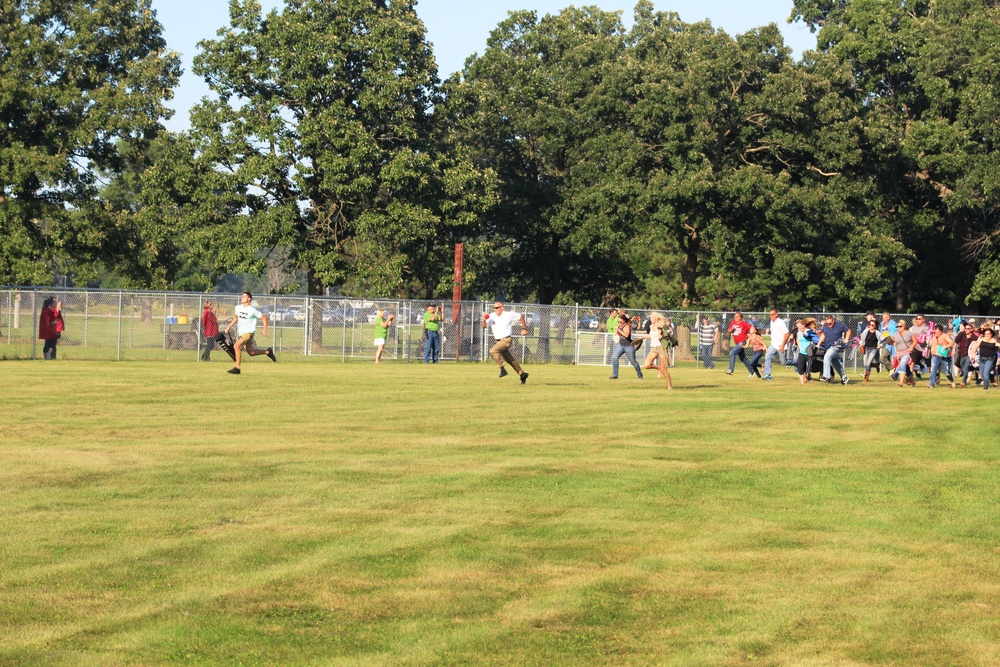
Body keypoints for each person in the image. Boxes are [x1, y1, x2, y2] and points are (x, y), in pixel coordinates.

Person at [223, 292, 276, 375]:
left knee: (236, 346)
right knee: (251, 352)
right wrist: (228, 327)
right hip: (242, 333)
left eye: (244, 296)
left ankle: (237, 368)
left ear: (249, 299)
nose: (242, 297)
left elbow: (264, 318)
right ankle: (268, 352)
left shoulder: (252, 310)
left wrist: (265, 330)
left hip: (249, 333)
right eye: (242, 296)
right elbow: (236, 317)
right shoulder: (238, 308)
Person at [482, 302, 529, 383]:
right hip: (498, 341)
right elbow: (484, 326)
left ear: (502, 308)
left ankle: (502, 369)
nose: (495, 309)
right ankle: (522, 374)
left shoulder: (508, 315)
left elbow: (521, 316)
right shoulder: (492, 316)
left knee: (493, 351)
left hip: (506, 340)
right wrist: (483, 320)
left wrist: (524, 328)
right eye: (494, 308)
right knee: (510, 360)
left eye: (497, 307)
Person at [641, 312, 673, 388]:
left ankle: (669, 385)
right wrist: (643, 337)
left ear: (656, 318)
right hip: (653, 348)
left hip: (661, 348)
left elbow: (663, 334)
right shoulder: (651, 326)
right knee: (646, 365)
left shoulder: (660, 325)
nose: (651, 319)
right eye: (651, 318)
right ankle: (658, 368)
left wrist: (661, 333)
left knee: (664, 370)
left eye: (652, 317)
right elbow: (651, 336)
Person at [609, 312, 644, 380]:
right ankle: (615, 375)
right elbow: (619, 334)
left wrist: (619, 330)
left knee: (633, 361)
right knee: (614, 357)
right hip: (621, 345)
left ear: (624, 320)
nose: (619, 323)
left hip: (629, 346)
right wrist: (616, 334)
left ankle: (640, 375)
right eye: (618, 321)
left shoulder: (627, 326)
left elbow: (626, 335)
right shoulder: (620, 325)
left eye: (620, 321)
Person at [818, 314, 850, 384]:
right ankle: (844, 377)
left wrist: (846, 339)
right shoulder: (825, 326)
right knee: (835, 363)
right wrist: (818, 344)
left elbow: (848, 331)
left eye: (830, 323)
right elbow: (823, 335)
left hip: (836, 346)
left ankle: (826, 376)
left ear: (833, 320)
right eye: (827, 323)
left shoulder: (840, 325)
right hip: (828, 346)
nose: (829, 325)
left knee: (827, 357)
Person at [762, 309, 790, 381]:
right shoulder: (772, 322)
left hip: (781, 346)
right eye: (770, 315)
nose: (770, 316)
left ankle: (796, 363)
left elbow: (787, 334)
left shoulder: (780, 322)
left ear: (776, 314)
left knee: (783, 362)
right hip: (773, 344)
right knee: (767, 357)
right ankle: (767, 374)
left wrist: (782, 345)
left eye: (772, 315)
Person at [927, 325, 956, 389]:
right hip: (935, 355)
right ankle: (931, 384)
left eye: (938, 332)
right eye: (936, 332)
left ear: (941, 331)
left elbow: (951, 342)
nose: (937, 333)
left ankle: (952, 381)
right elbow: (931, 344)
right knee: (933, 370)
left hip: (944, 356)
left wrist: (946, 346)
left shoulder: (945, 336)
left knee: (946, 372)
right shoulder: (933, 336)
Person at [890, 320, 916, 387]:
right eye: (897, 326)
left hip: (907, 353)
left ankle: (900, 381)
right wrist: (888, 340)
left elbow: (915, 341)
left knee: (903, 363)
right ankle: (913, 382)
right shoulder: (895, 334)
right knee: (906, 368)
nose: (898, 327)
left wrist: (911, 347)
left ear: (904, 326)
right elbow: (891, 342)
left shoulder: (909, 333)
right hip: (899, 354)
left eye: (900, 326)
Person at [954, 321, 980, 387]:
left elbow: (977, 345)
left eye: (968, 328)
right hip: (962, 353)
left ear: (971, 329)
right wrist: (954, 349)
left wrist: (974, 354)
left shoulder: (974, 337)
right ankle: (969, 370)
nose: (966, 330)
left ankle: (964, 382)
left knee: (965, 367)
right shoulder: (961, 334)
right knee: (961, 365)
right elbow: (956, 342)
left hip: (969, 354)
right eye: (965, 328)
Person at [725, 311, 751, 375]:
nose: (735, 317)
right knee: (743, 358)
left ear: (740, 317)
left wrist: (753, 335)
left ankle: (731, 369)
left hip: (742, 342)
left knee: (732, 352)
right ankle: (753, 371)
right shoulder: (733, 323)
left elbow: (752, 328)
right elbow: (728, 330)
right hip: (737, 343)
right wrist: (731, 329)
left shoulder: (744, 323)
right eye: (735, 316)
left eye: (737, 316)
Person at [795, 318, 820, 385]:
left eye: (800, 326)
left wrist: (813, 343)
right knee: (800, 368)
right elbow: (798, 341)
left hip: (809, 352)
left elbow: (815, 339)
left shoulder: (809, 332)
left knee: (810, 369)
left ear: (804, 325)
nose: (799, 328)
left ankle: (807, 376)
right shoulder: (798, 333)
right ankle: (802, 383)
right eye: (798, 327)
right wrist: (800, 348)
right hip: (802, 352)